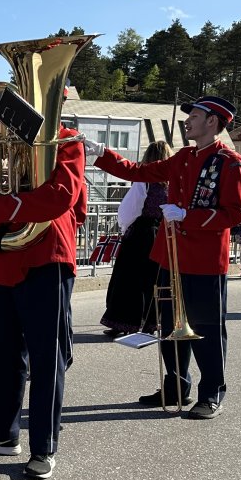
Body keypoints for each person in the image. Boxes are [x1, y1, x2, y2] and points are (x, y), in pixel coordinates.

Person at [91, 95, 241, 419]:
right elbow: (138, 171)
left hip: (204, 261)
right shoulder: (183, 157)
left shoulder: (229, 162)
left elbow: (235, 213)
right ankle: (176, 386)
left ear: (212, 122)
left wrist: (187, 216)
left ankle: (211, 394)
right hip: (171, 256)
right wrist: (101, 153)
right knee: (169, 329)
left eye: (195, 116)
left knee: (206, 330)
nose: (187, 121)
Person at [0, 122, 87, 480]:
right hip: (3, 257)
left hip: (47, 255)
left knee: (47, 359)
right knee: (0, 355)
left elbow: (61, 197)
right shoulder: (3, 138)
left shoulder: (66, 140)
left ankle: (44, 447)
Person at [99, 140, 172, 336]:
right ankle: (151, 323)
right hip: (162, 233)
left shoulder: (144, 180)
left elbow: (129, 210)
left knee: (129, 279)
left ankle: (124, 323)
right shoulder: (172, 182)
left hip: (142, 233)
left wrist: (125, 228)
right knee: (154, 279)